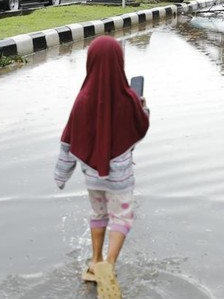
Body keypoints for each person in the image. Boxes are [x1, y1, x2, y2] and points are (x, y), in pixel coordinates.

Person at [55, 36, 150, 299]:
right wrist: (143, 109)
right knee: (122, 217)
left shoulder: (83, 98)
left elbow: (68, 136)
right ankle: (109, 262)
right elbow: (139, 130)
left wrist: (62, 173)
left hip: (92, 176)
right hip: (120, 178)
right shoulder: (128, 97)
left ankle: (95, 262)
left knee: (98, 214)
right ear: (120, 62)